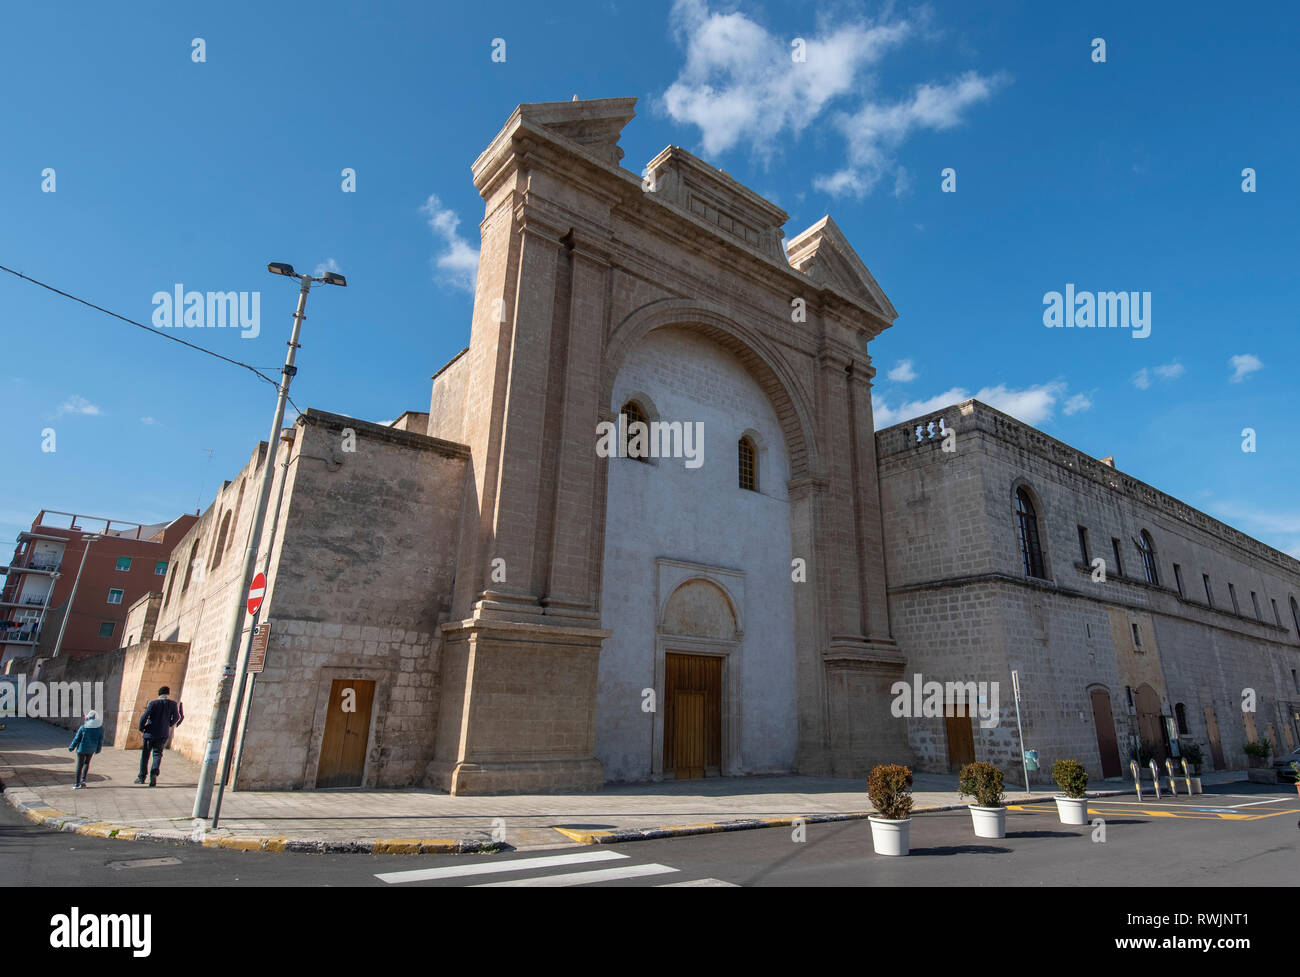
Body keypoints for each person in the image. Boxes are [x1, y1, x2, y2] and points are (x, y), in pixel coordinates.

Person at [136, 685, 183, 787]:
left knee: (145, 756)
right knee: (157, 754)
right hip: (163, 733)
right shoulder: (172, 704)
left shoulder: (153, 703)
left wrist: (141, 727)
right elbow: (177, 716)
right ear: (167, 694)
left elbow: (144, 716)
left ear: (159, 693)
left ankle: (142, 777)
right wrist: (169, 724)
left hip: (150, 733)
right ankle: (154, 773)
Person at [68, 709, 104, 789]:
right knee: (87, 763)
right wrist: (98, 749)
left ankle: (77, 784)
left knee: (79, 765)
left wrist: (72, 747)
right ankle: (83, 781)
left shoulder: (84, 727)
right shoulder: (100, 728)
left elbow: (77, 738)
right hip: (91, 749)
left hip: (81, 749)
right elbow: (100, 740)